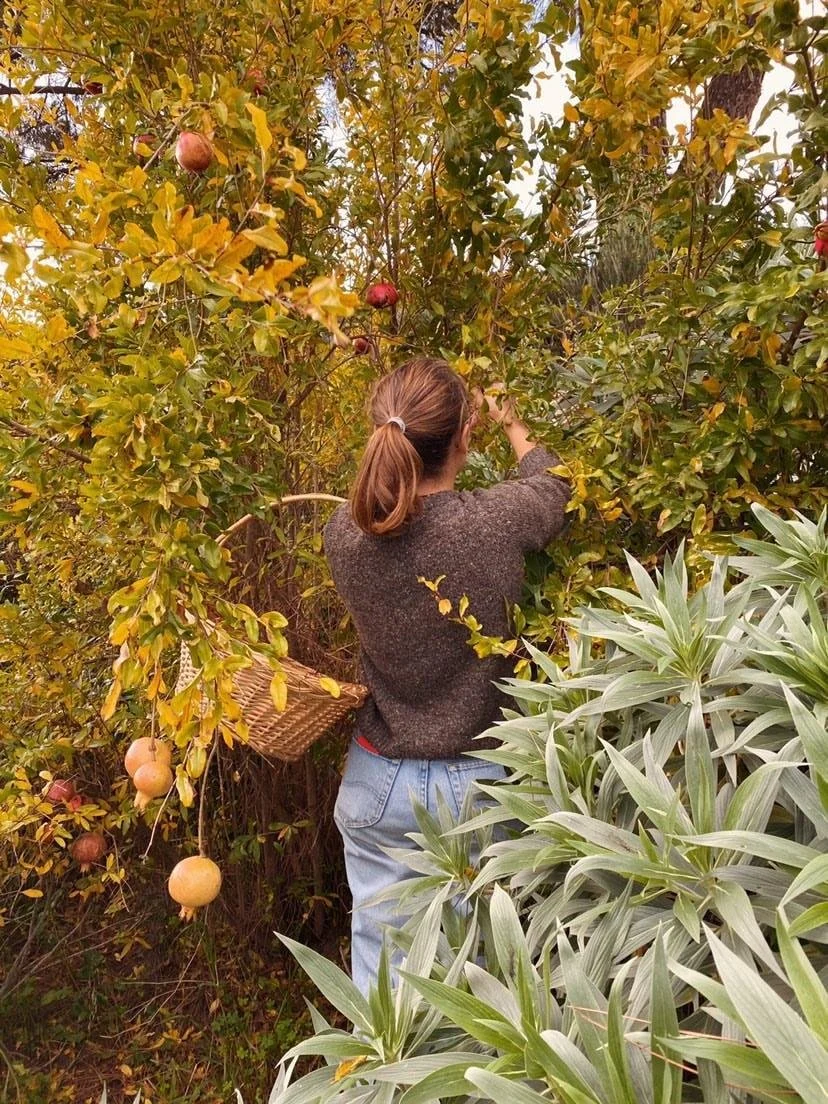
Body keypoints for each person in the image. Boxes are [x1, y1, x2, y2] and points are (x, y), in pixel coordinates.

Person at [323, 356, 570, 995]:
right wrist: (512, 420)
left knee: (387, 999)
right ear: (464, 436)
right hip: (485, 787)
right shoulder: (493, 522)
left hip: (379, 781)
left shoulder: (343, 536)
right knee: (486, 994)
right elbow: (553, 481)